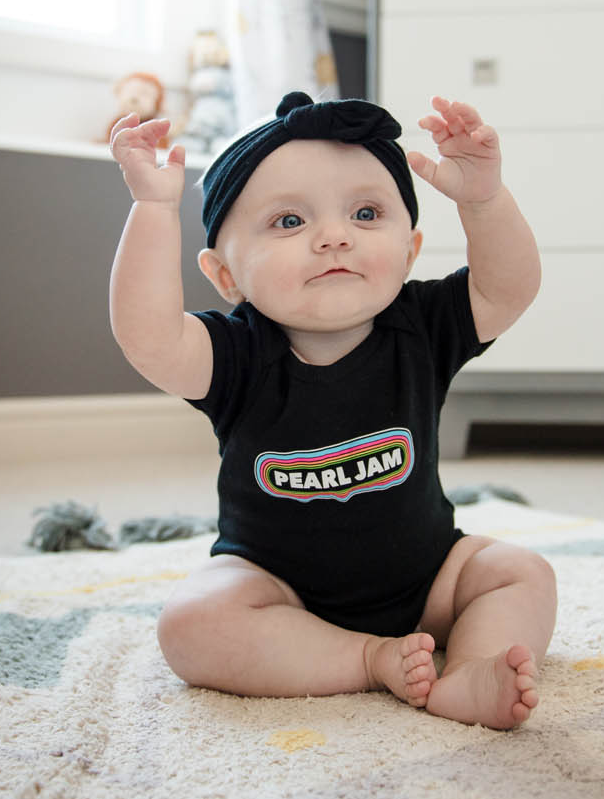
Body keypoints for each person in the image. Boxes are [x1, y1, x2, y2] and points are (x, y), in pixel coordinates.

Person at [108, 90, 556, 730]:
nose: (334, 237)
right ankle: (366, 660)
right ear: (226, 277)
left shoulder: (423, 327)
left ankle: (471, 672)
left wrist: (483, 200)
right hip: (278, 592)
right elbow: (147, 336)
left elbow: (509, 286)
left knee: (520, 572)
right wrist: (153, 207)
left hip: (430, 579)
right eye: (289, 222)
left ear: (408, 250)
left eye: (367, 212)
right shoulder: (236, 354)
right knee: (192, 625)